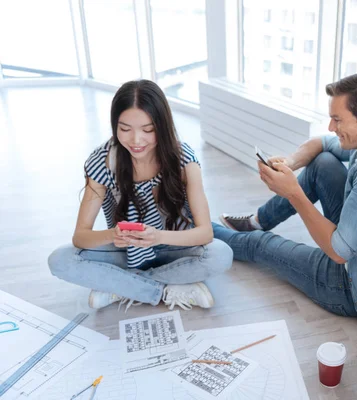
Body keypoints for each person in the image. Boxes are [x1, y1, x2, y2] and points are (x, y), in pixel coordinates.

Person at [214, 73, 357, 327]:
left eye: (337, 119)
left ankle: (203, 229)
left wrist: (293, 191)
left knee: (260, 245)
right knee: (322, 163)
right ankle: (259, 220)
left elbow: (338, 252)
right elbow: (322, 143)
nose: (331, 127)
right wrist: (291, 163)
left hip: (356, 287)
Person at [48, 80, 233, 311]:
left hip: (173, 247)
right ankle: (166, 289)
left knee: (220, 254)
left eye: (148, 130)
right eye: (125, 129)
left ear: (162, 126)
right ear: (115, 125)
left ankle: (122, 286)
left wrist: (158, 237)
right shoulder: (102, 162)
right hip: (125, 251)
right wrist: (112, 234)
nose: (136, 141)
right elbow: (80, 237)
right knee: (60, 260)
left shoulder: (184, 160)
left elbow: (205, 233)